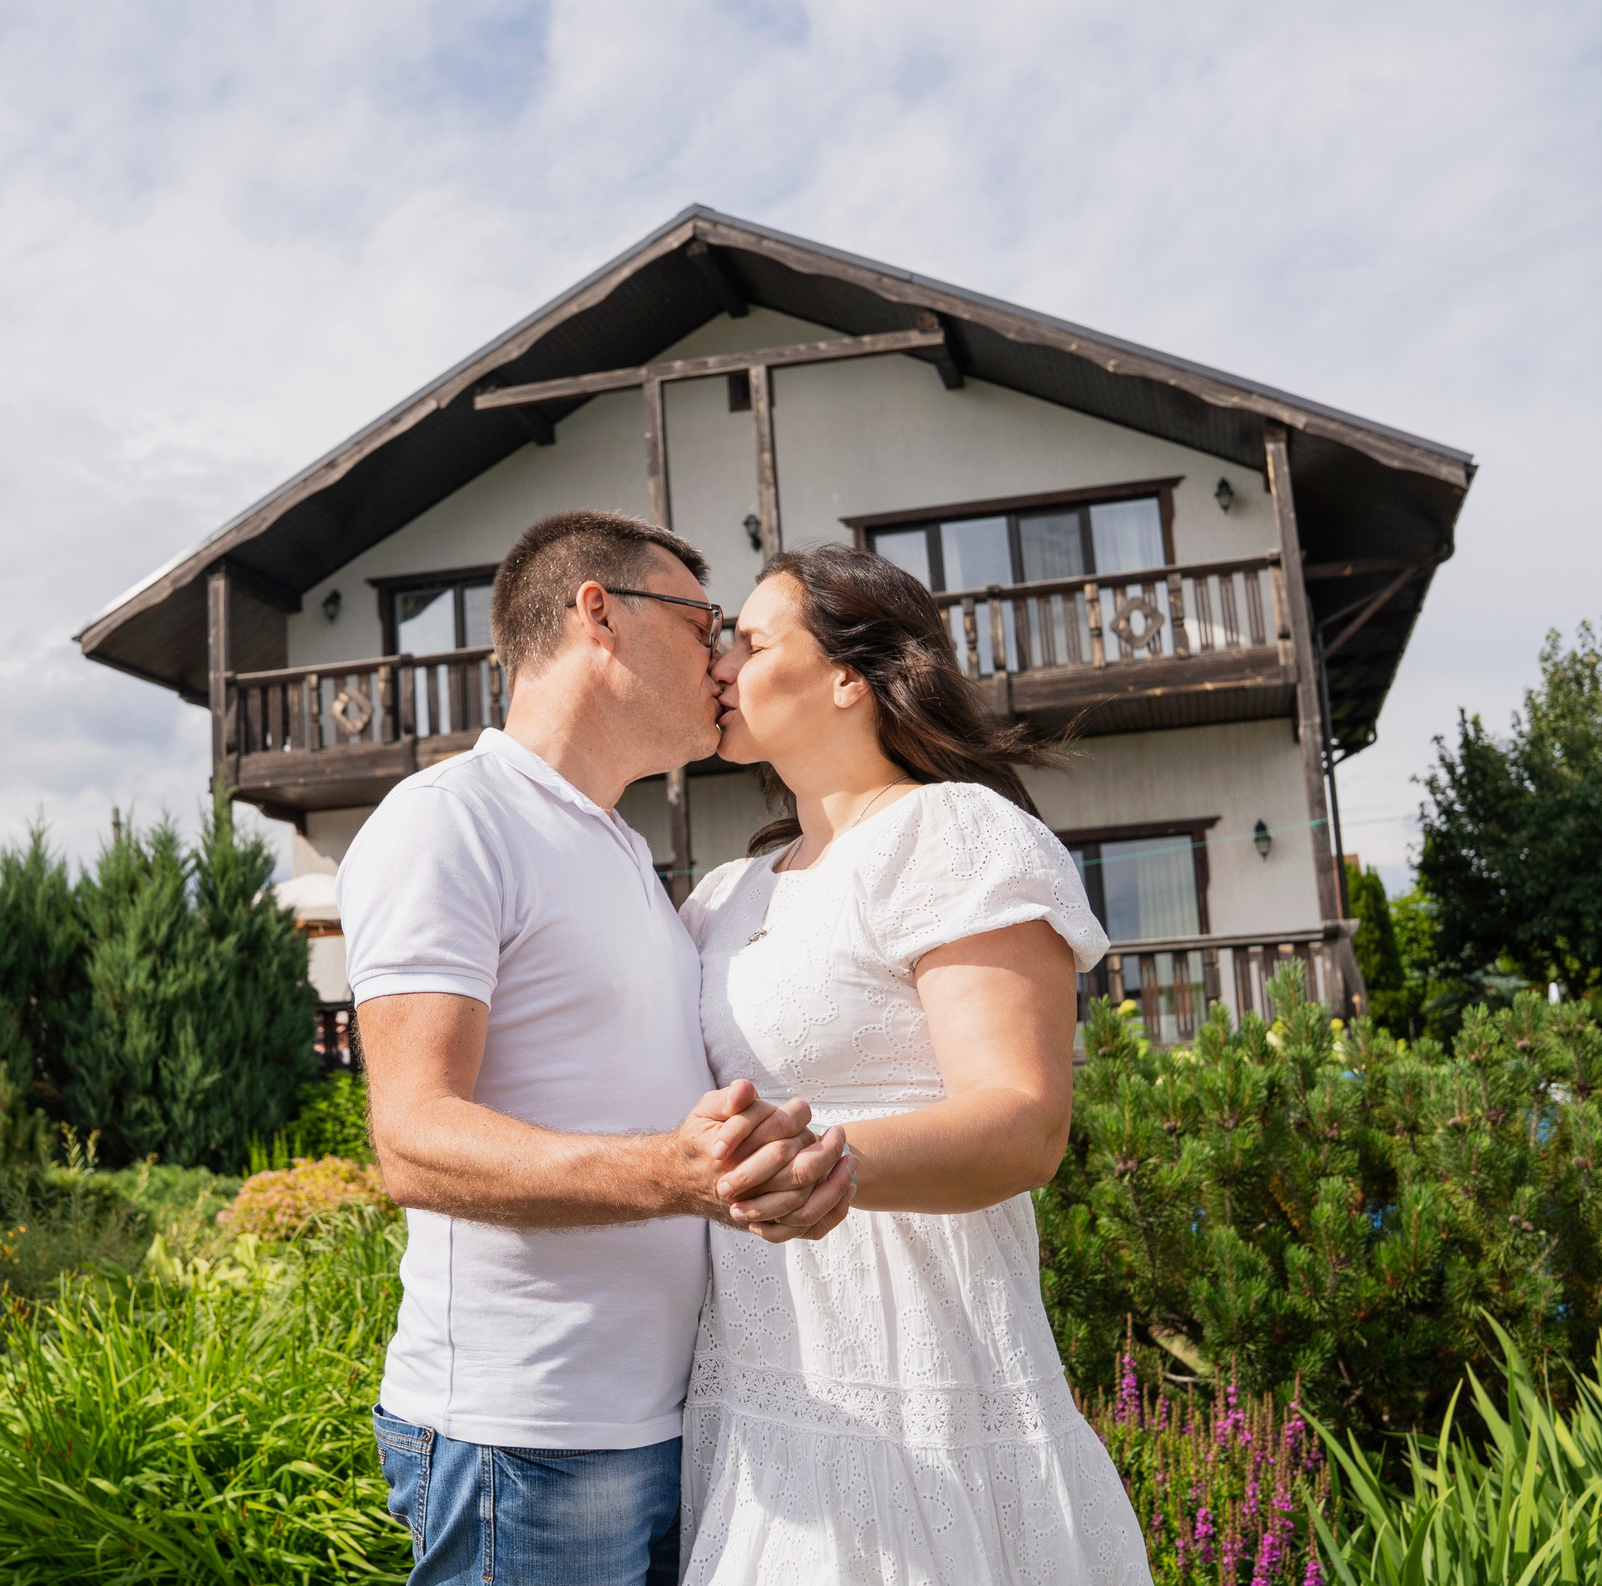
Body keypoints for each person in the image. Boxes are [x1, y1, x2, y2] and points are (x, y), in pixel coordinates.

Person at [338, 510, 860, 1586]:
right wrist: (672, 1172)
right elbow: (414, 1141)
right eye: (702, 623)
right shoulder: (450, 821)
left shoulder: (618, 847)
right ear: (599, 615)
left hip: (659, 1423)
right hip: (525, 1435)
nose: (720, 660)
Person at [678, 544, 1151, 1585]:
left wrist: (817, 1163)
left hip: (921, 1383)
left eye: (749, 642)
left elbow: (1023, 1122)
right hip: (761, 1396)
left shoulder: (959, 836)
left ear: (849, 677)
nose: (718, 664)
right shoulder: (722, 895)